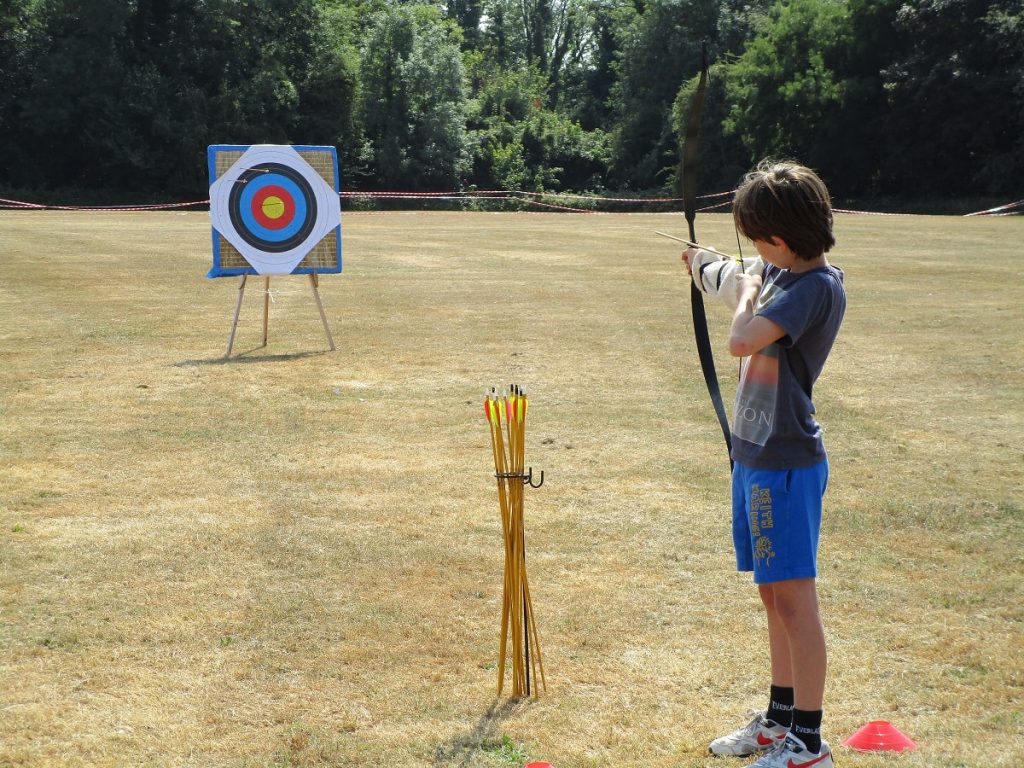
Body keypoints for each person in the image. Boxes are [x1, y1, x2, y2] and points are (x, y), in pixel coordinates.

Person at [681, 160, 846, 768]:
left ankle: (808, 741)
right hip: (755, 457)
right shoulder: (781, 270)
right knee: (773, 596)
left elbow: (741, 338)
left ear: (779, 238)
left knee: (796, 602)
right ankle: (780, 720)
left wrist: (746, 291)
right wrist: (706, 266)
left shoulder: (812, 290)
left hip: (786, 463)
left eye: (755, 236)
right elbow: (738, 274)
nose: (754, 250)